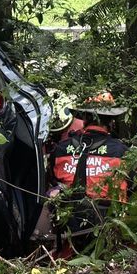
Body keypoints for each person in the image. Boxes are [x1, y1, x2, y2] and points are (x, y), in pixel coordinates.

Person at [32, 92, 130, 247]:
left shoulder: (61, 150)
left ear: (84, 119)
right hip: (110, 224)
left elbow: (51, 179)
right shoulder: (122, 151)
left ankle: (41, 245)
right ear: (111, 121)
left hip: (67, 224)